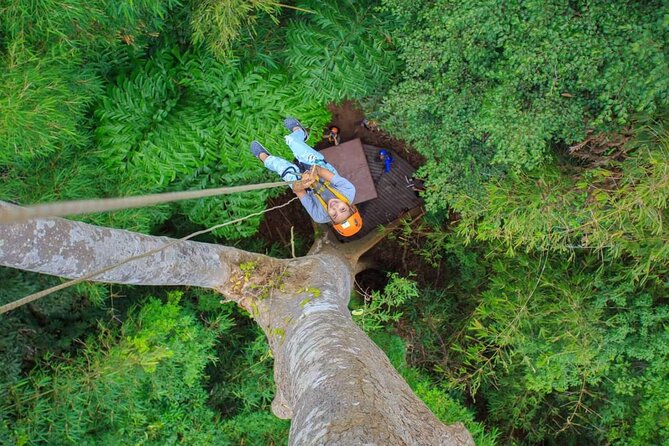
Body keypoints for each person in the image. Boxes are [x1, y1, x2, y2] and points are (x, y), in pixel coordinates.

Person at [250, 117, 363, 237]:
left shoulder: (319, 216)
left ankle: (264, 157)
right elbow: (321, 170)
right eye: (342, 209)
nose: (335, 208)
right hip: (321, 169)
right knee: (293, 142)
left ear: (331, 220)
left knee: (286, 171)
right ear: (350, 206)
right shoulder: (349, 191)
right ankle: (299, 132)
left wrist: (302, 184)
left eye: (334, 215)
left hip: (308, 189)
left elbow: (298, 191)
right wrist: (313, 172)